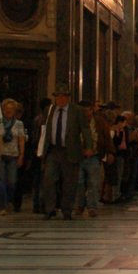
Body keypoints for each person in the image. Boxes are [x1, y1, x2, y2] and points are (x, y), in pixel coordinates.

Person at [40, 85, 83, 220]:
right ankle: (50, 208)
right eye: (57, 96)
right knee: (49, 179)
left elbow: (85, 129)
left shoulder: (76, 111)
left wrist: (88, 146)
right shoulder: (50, 110)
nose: (60, 99)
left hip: (69, 150)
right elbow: (45, 129)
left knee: (69, 182)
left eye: (63, 96)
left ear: (68, 98)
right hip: (53, 150)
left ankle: (67, 209)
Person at [0, 99, 24, 214]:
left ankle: (10, 200)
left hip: (13, 155)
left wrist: (21, 155)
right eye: (7, 109)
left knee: (12, 181)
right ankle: (3, 205)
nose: (9, 111)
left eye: (11, 109)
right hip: (1, 155)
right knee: (1, 182)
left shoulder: (19, 124)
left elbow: (21, 140)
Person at [75, 101, 103, 217]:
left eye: (87, 110)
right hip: (78, 157)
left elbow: (104, 136)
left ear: (91, 110)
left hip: (94, 156)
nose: (85, 113)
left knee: (93, 182)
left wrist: (109, 152)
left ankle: (92, 206)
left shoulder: (98, 122)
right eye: (83, 111)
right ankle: (79, 205)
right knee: (79, 182)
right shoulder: (75, 123)